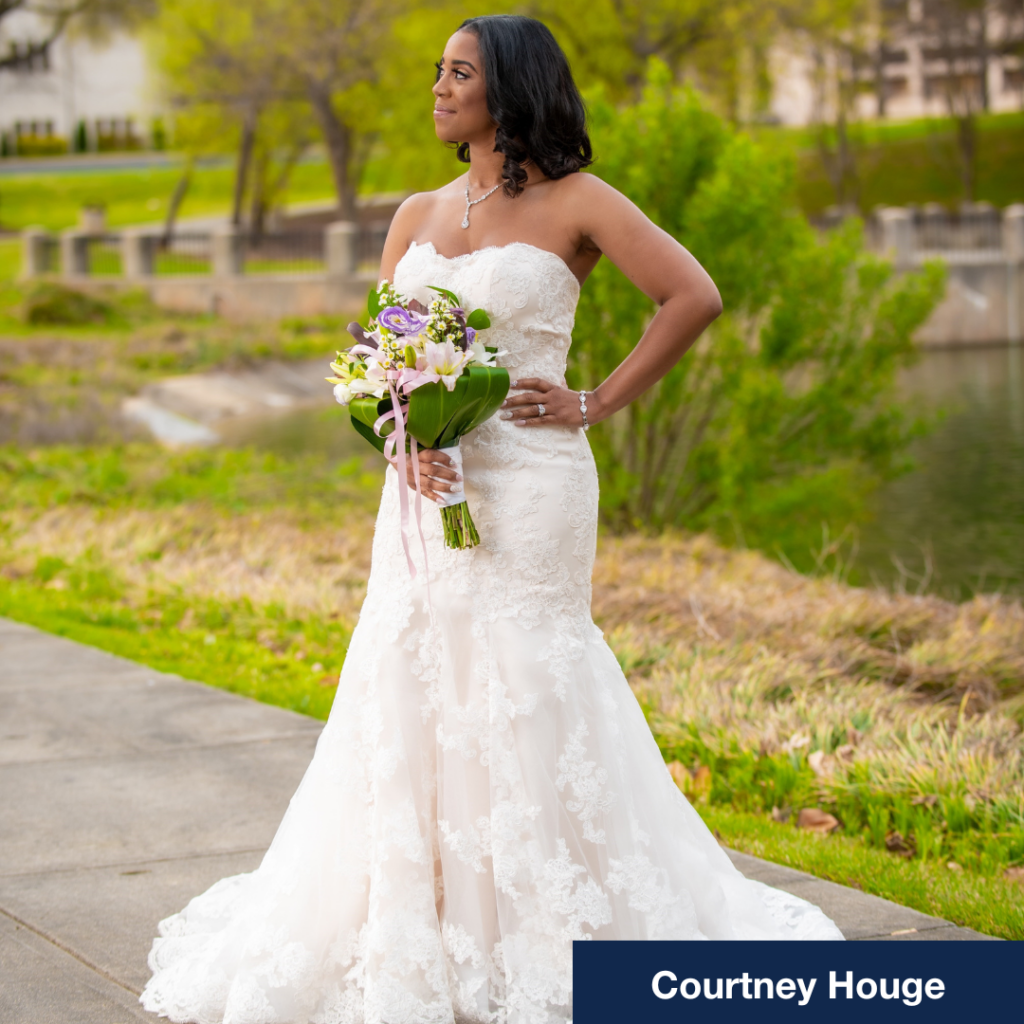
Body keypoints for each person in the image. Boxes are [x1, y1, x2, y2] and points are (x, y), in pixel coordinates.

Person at [141, 14, 843, 1024]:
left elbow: (692, 294)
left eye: (458, 72)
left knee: (523, 676)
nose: (437, 87)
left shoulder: (579, 201)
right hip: (427, 494)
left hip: (536, 476)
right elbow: (382, 368)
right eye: (437, 70)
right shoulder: (415, 214)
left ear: (509, 90)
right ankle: (420, 922)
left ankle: (543, 924)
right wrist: (406, 442)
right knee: (412, 669)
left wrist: (593, 400)